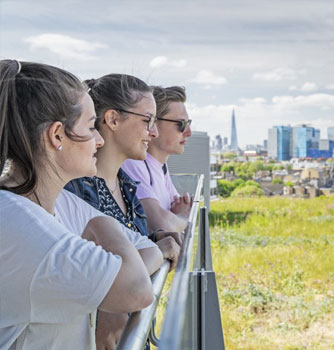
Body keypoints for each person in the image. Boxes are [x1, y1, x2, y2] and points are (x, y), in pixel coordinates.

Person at [0, 59, 161, 349]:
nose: (98, 140)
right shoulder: (24, 229)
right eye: (90, 127)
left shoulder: (54, 201)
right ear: (57, 135)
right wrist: (105, 222)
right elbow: (137, 290)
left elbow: (145, 249)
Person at [64, 74, 181, 349]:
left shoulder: (128, 186)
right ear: (113, 120)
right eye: (147, 121)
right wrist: (157, 251)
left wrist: (154, 239)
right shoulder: (75, 193)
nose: (153, 133)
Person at [122, 85, 193, 234]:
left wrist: (176, 217)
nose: (188, 132)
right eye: (181, 124)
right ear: (154, 122)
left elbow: (171, 218)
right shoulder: (133, 163)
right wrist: (185, 217)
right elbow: (160, 224)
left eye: (188, 123)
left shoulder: (161, 165)